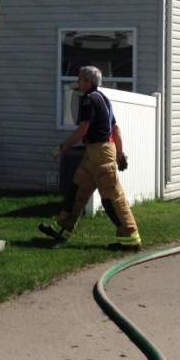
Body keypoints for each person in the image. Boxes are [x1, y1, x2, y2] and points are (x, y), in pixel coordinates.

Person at [39, 66, 141, 248]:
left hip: (100, 155)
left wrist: (62, 147)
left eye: (79, 80)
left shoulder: (88, 100)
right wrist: (119, 153)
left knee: (111, 197)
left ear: (88, 82)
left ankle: (130, 237)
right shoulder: (104, 99)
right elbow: (115, 129)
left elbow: (83, 129)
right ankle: (63, 229)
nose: (78, 83)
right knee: (78, 190)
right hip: (95, 153)